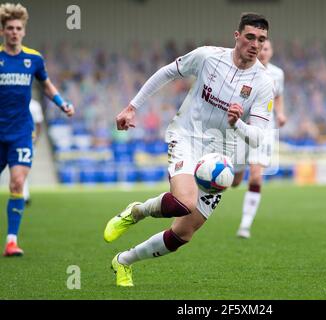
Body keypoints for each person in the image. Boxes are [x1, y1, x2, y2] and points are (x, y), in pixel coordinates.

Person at [103, 13, 274, 287]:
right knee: (184, 201)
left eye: (261, 39)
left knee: (182, 234)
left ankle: (123, 261)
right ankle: (136, 212)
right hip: (187, 136)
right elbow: (168, 72)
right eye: (250, 37)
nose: (255, 44)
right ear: (237, 36)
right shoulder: (208, 56)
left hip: (222, 157)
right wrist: (132, 106)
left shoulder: (264, 83)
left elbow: (259, 138)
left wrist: (237, 123)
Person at [0, 3, 74, 257]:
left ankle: (11, 241)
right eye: (9, 28)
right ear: (3, 31)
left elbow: (47, 85)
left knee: (18, 182)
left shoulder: (33, 59)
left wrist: (62, 103)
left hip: (21, 132)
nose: (14, 32)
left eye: (18, 28)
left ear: (23, 31)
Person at [232, 39, 286, 239]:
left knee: (255, 175)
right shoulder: (243, 69)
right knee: (235, 181)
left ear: (271, 52)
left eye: (266, 49)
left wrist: (280, 113)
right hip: (241, 129)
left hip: (264, 130)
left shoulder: (277, 74)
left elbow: (278, 96)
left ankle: (245, 225)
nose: (263, 51)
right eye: (261, 48)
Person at [23, 98, 45, 206]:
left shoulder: (34, 105)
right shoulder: (16, 101)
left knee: (23, 169)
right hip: (16, 140)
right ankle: (24, 195)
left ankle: (24, 194)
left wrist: (35, 140)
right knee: (22, 169)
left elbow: (39, 125)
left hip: (29, 142)